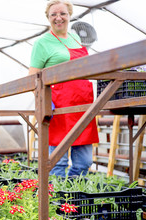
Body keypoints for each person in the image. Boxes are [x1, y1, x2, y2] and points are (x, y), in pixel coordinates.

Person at [29, 0, 99, 177]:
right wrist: (45, 102)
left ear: (69, 16)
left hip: (82, 105)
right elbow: (32, 78)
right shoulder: (42, 43)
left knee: (85, 161)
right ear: (48, 18)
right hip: (59, 106)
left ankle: (72, 195)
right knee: (58, 161)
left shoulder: (76, 39)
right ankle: (57, 201)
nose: (58, 18)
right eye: (54, 14)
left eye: (63, 14)